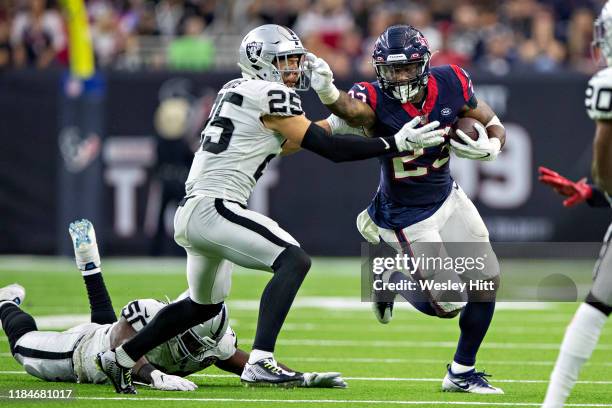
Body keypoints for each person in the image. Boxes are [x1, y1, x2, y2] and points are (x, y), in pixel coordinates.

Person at [97, 24, 446, 393]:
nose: (293, 70)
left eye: (294, 61)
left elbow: (296, 140)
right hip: (214, 207)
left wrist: (333, 113)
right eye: (285, 62)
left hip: (196, 209)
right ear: (260, 62)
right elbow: (329, 150)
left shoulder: (234, 90)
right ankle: (261, 360)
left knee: (202, 307)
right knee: (294, 260)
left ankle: (119, 358)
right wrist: (394, 143)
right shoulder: (270, 93)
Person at [308, 24, 506, 394]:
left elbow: (490, 120)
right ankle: (391, 277)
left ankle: (461, 372)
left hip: (447, 195)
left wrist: (493, 145)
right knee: (448, 305)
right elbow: (352, 111)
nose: (398, 77)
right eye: (391, 69)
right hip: (405, 216)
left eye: (407, 68)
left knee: (486, 282)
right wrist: (326, 90)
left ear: (425, 64)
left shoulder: (451, 80)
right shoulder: (373, 96)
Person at [0, 219, 346, 391]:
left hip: (105, 342)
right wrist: (153, 375)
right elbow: (120, 342)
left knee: (101, 324)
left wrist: (300, 377)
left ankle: (90, 265)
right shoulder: (154, 313)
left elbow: (247, 364)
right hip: (82, 355)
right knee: (23, 348)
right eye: (194, 340)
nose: (197, 351)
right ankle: (6, 302)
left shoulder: (216, 340)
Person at [540, 4, 612, 406]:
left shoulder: (607, 84)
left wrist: (597, 187)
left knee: (596, 306)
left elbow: (605, 170)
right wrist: (592, 193)